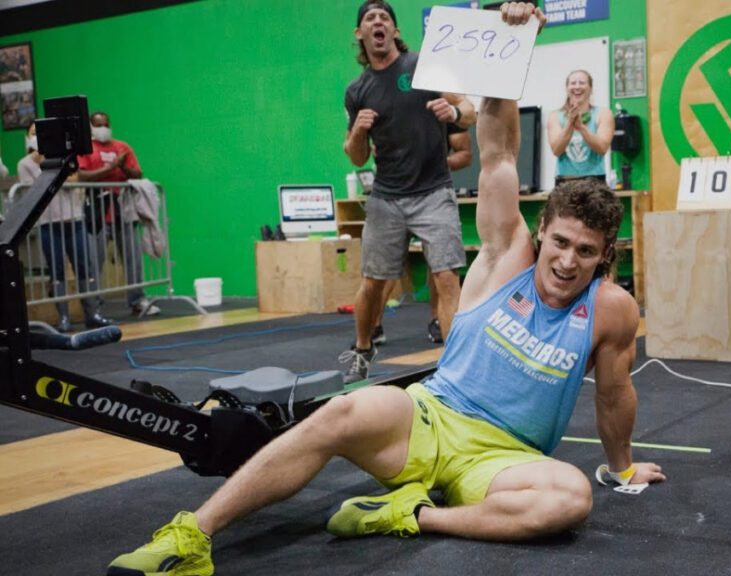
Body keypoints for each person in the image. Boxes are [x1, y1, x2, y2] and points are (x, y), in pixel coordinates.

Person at [105, 4, 664, 575]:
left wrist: (621, 469)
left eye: (586, 252)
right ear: (541, 232)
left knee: (570, 498)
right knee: (341, 413)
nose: (568, 262)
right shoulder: (506, 256)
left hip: (504, 462)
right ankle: (191, 535)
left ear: (604, 258)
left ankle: (408, 514)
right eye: (561, 243)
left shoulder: (610, 310)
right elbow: (495, 153)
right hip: (430, 418)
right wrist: (511, 44)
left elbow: (614, 396)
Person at [339, 0, 476, 382]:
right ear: (360, 34)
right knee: (373, 283)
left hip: (434, 191)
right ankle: (363, 349)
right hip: (387, 197)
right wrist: (358, 131)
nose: (379, 22)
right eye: (371, 18)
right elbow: (356, 157)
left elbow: (470, 110)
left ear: (395, 31)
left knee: (447, 276)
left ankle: (455, 367)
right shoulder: (357, 91)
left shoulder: (424, 66)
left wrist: (454, 114)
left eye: (385, 17)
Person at [374, 123, 472, 346]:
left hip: (433, 197)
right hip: (394, 197)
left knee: (442, 267)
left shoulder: (441, 103)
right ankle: (373, 327)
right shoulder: (390, 104)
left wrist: (433, 164)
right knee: (386, 268)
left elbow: (465, 155)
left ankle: (439, 322)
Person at [17, 122, 112, 332]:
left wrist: (55, 170)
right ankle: (64, 317)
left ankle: (92, 313)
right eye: (33, 134)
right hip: (48, 224)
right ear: (27, 137)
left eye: (40, 133)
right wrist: (45, 166)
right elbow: (36, 193)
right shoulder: (24, 164)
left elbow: (72, 181)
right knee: (57, 271)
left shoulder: (64, 158)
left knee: (84, 268)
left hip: (75, 220)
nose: (37, 137)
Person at [76, 111, 161, 318]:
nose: (103, 128)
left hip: (123, 210)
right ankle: (93, 307)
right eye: (98, 124)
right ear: (91, 127)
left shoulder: (122, 147)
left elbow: (137, 173)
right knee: (95, 261)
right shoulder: (86, 149)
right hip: (97, 211)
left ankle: (137, 300)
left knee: (133, 259)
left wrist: (122, 165)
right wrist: (112, 167)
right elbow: (82, 175)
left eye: (106, 124)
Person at [546, 69, 614, 186]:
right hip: (565, 181)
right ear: (567, 89)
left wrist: (581, 127)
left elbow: (602, 148)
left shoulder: (604, 113)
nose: (577, 87)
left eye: (582, 83)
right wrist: (571, 123)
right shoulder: (554, 116)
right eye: (573, 83)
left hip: (595, 180)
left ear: (590, 88)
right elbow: (556, 150)